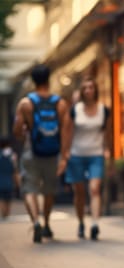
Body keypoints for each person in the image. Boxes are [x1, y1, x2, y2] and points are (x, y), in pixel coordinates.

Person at [13, 64, 70, 243]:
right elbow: (66, 130)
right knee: (49, 190)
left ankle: (35, 221)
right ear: (49, 79)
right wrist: (65, 155)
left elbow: (17, 131)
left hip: (32, 150)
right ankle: (46, 223)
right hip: (52, 153)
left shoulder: (25, 103)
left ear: (33, 81)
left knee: (29, 188)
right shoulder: (60, 103)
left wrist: (23, 134)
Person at [65, 77, 111, 240]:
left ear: (95, 90)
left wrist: (106, 149)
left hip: (95, 155)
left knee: (95, 188)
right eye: (85, 88)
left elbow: (106, 132)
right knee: (79, 192)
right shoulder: (74, 110)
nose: (88, 91)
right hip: (76, 155)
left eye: (91, 87)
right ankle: (81, 222)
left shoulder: (103, 110)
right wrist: (66, 153)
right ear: (82, 92)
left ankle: (94, 224)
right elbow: (68, 131)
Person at [0, 137, 18, 219]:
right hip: (9, 181)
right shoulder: (13, 155)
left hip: (1, 180)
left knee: (2, 199)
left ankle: (3, 215)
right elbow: (15, 170)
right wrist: (17, 182)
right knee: (8, 199)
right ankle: (7, 215)